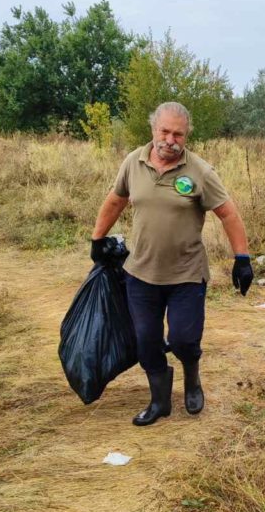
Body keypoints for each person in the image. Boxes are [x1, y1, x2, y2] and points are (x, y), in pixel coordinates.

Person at [90, 101, 253, 426]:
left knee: (183, 339)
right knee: (146, 341)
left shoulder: (200, 172)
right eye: (165, 131)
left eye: (178, 134)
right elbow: (115, 200)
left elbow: (228, 213)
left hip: (186, 275)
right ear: (153, 130)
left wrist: (243, 258)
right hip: (140, 274)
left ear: (186, 135)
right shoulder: (133, 163)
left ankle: (192, 379)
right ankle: (159, 401)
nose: (170, 139)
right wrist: (97, 239)